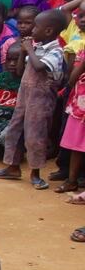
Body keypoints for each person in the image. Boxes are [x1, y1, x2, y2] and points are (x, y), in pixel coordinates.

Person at [0, 9, 66, 190]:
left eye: (36, 26)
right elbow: (20, 72)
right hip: (24, 95)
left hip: (41, 99)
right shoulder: (36, 46)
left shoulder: (55, 51)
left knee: (36, 135)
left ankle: (35, 173)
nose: (32, 30)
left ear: (48, 31)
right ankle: (12, 166)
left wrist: (29, 50)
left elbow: (39, 67)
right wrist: (24, 53)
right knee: (14, 129)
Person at [56, 39, 85, 193]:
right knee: (77, 144)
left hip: (80, 100)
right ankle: (72, 180)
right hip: (81, 102)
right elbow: (73, 77)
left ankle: (73, 180)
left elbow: (74, 76)